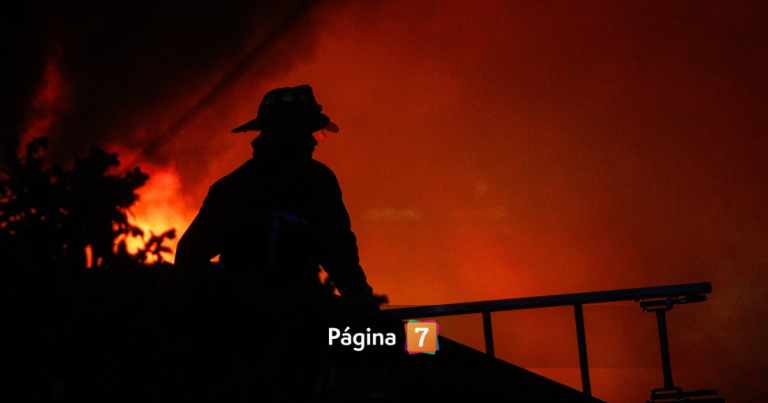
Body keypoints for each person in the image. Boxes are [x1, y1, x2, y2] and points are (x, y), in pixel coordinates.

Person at [175, 84, 374, 304]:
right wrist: (364, 307)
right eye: (308, 132)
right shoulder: (316, 180)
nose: (313, 142)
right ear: (291, 132)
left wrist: (222, 293)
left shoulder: (231, 186)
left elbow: (188, 254)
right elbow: (340, 255)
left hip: (237, 317)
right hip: (296, 315)